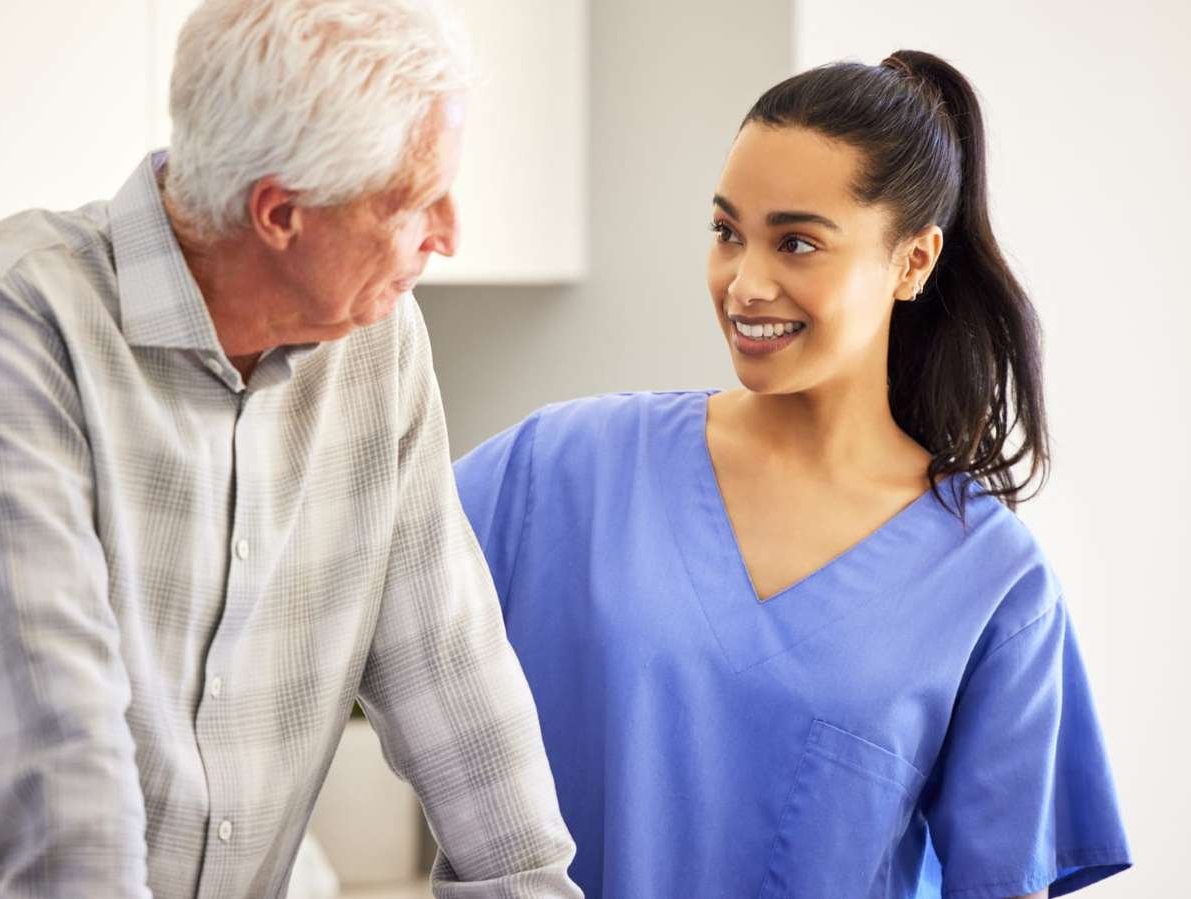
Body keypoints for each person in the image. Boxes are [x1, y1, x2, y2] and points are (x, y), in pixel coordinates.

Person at [0, 1, 580, 896]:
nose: (449, 232)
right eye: (413, 200)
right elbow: (63, 769)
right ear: (280, 213)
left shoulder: (380, 341)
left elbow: (455, 677)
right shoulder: (17, 311)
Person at [454, 50, 1132, 898]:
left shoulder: (992, 585)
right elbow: (337, 586)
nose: (745, 283)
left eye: (798, 242)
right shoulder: (564, 468)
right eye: (728, 233)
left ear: (913, 262)